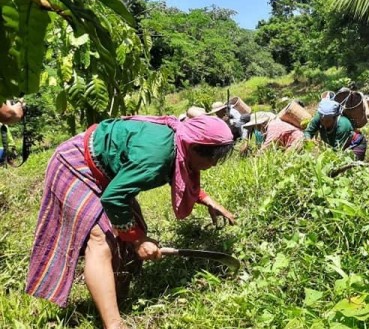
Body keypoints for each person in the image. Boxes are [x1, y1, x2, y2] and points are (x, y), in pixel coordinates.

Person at [26, 115, 236, 329]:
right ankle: (114, 325)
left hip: (105, 173)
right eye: (213, 157)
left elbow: (180, 173)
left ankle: (116, 297)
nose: (214, 163)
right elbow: (114, 198)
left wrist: (206, 199)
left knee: (127, 228)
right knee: (100, 238)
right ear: (193, 147)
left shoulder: (177, 141)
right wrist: (139, 241)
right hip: (76, 163)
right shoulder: (158, 155)